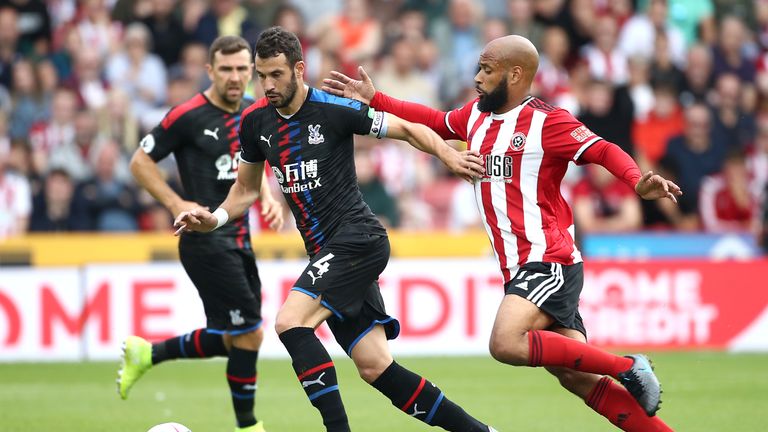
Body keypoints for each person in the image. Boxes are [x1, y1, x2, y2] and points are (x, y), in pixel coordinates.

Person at [323, 34, 681, 431]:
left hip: (548, 258)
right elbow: (434, 121)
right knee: (577, 376)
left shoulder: (548, 121)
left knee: (506, 342)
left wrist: (635, 181)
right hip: (520, 266)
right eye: (478, 67)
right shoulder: (475, 116)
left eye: (487, 70)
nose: (477, 77)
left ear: (515, 74)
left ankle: (627, 366)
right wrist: (377, 99)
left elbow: (602, 149)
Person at [175, 27, 495, 432]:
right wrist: (215, 217)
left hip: (358, 238)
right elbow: (245, 190)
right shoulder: (255, 121)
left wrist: (449, 155)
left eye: (276, 74)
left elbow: (410, 129)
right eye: (262, 75)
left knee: (290, 321)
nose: (267, 85)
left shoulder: (333, 109)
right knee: (375, 366)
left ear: (299, 69)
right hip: (326, 253)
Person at [116, 35, 284, 432]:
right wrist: (177, 204)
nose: (235, 76)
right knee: (249, 333)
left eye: (243, 69)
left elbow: (250, 167)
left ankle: (148, 354)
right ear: (210, 70)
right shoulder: (187, 115)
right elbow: (140, 163)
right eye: (226, 69)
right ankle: (249, 426)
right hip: (204, 241)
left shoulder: (253, 111)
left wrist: (267, 195)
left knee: (234, 335)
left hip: (240, 237)